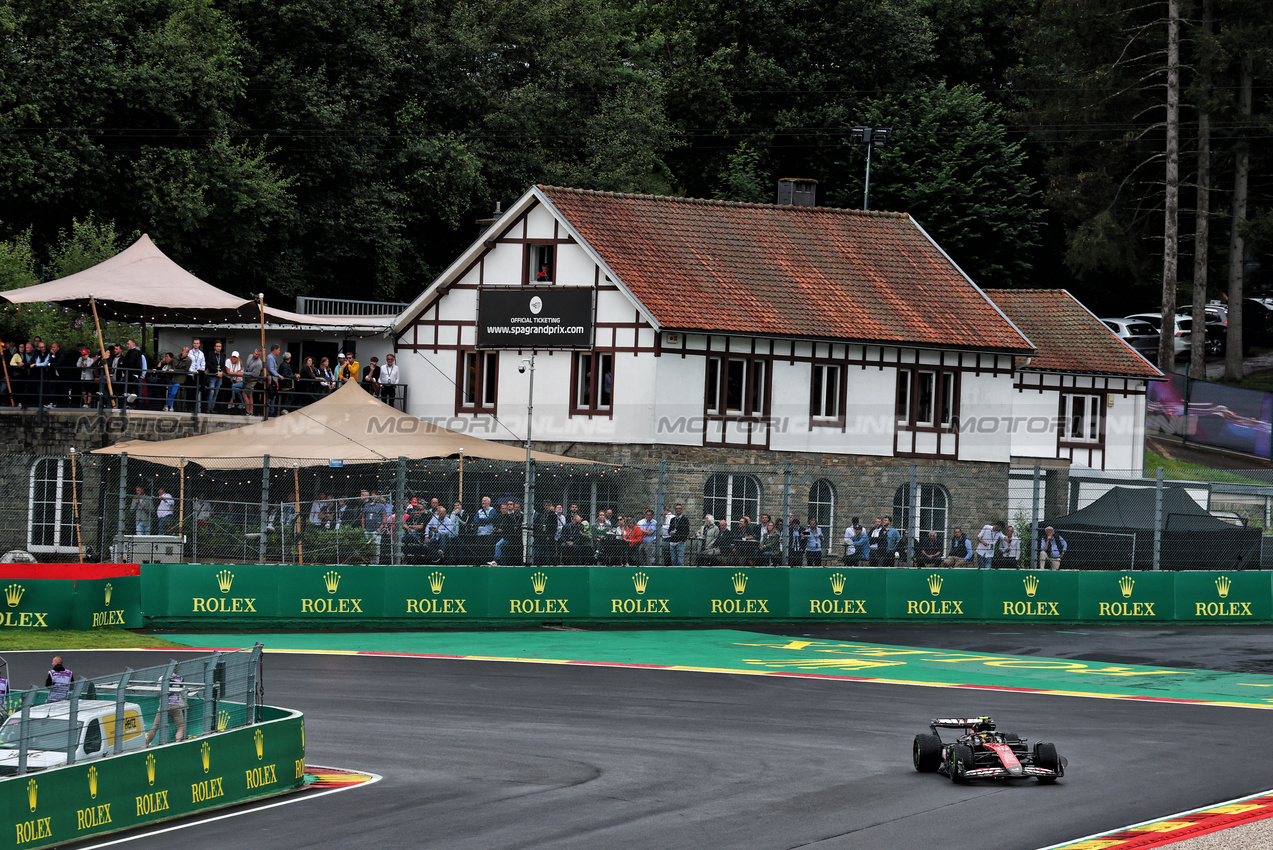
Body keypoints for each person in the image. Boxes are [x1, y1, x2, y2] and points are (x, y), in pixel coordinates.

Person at [145, 666, 187, 745]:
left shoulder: (162, 678)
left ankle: (146, 744)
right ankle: (177, 742)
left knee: (155, 727)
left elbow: (158, 692)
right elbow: (182, 692)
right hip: (176, 706)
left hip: (164, 706)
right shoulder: (180, 679)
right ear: (175, 668)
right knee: (180, 727)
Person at [205, 340, 225, 412]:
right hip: (212, 375)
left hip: (219, 376)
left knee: (216, 392)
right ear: (214, 347)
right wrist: (216, 372)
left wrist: (221, 372)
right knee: (211, 391)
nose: (218, 348)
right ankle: (208, 407)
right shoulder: (211, 354)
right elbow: (209, 364)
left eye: (219, 346)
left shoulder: (222, 355)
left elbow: (224, 365)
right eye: (217, 346)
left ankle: (212, 407)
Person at [243, 348, 264, 415]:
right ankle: (250, 411)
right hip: (246, 378)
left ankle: (248, 410)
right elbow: (247, 366)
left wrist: (243, 373)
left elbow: (254, 374)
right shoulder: (250, 356)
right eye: (254, 353)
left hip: (252, 380)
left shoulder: (259, 363)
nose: (254, 355)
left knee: (244, 394)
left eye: (256, 354)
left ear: (259, 355)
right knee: (250, 395)